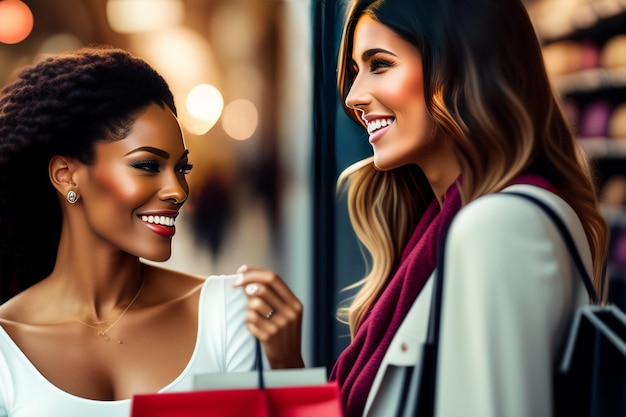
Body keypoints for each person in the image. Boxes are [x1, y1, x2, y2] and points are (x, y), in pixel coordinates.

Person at [327, 0, 609, 416]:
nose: (354, 96)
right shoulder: (451, 226)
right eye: (355, 70)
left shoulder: (498, 227)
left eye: (380, 64)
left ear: (459, 65)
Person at [0, 46, 303, 417]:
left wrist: (289, 372)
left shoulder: (224, 315)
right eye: (147, 165)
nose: (178, 191)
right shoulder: (7, 346)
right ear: (66, 175)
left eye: (181, 169)